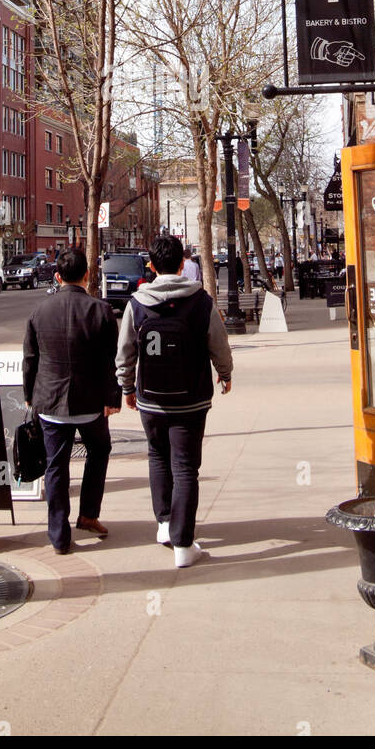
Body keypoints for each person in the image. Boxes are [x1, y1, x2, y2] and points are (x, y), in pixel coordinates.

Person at [116, 235, 233, 568]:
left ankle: (164, 523)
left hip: (151, 398)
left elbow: (125, 352)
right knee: (185, 467)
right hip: (191, 398)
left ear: (151, 266)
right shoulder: (200, 301)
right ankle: (183, 543)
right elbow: (219, 344)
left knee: (157, 456)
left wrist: (127, 388)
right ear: (183, 264)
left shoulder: (136, 303)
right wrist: (225, 373)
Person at [23, 247, 120, 554]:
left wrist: (30, 397)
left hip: (51, 404)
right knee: (99, 450)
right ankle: (89, 514)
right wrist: (112, 398)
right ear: (87, 275)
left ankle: (59, 534)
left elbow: (30, 360)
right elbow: (110, 362)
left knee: (56, 467)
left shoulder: (39, 312)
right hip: (90, 404)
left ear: (57, 276)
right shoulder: (101, 311)